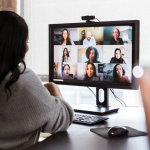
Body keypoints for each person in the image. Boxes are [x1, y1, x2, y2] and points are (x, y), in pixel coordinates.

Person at [0, 11, 74, 150]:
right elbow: (63, 120)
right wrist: (53, 88)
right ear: (15, 44)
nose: (27, 48)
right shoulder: (20, 78)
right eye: (26, 42)